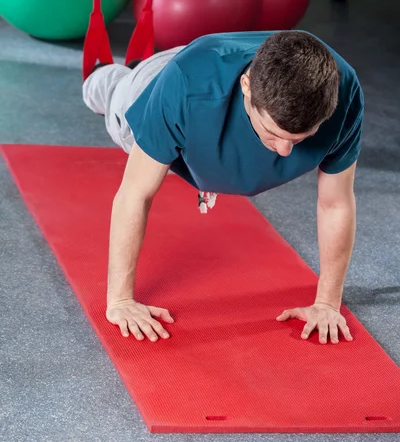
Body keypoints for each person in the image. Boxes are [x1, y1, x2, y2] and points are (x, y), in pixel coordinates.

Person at [83, 30, 364, 346]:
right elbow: (136, 192)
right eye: (273, 135)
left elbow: (336, 203)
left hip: (210, 80)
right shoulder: (188, 85)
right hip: (156, 84)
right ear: (247, 86)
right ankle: (104, 75)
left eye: (299, 139)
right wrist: (120, 301)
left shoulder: (344, 93)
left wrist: (327, 303)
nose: (286, 151)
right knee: (110, 93)